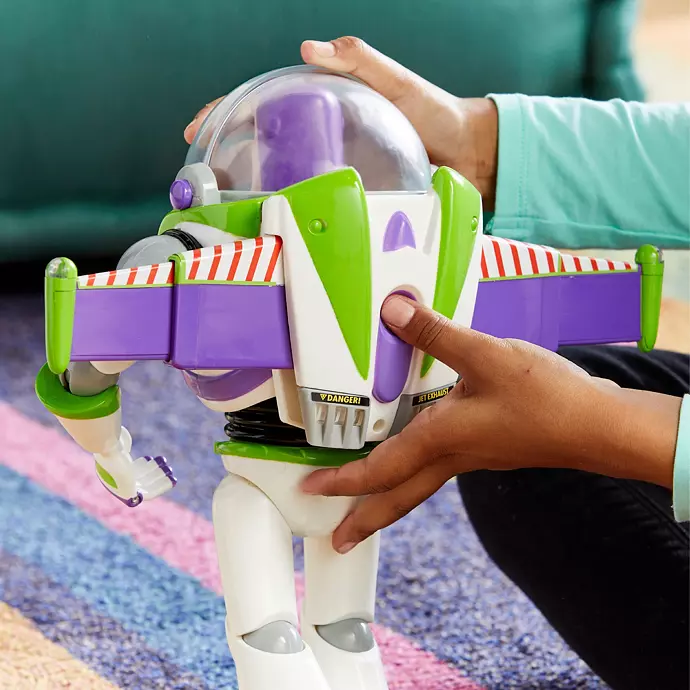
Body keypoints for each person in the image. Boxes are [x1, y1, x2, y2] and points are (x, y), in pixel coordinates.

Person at [186, 38, 690, 690]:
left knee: (345, 621)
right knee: (528, 434)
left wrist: (614, 427)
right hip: (270, 478)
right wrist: (475, 142)